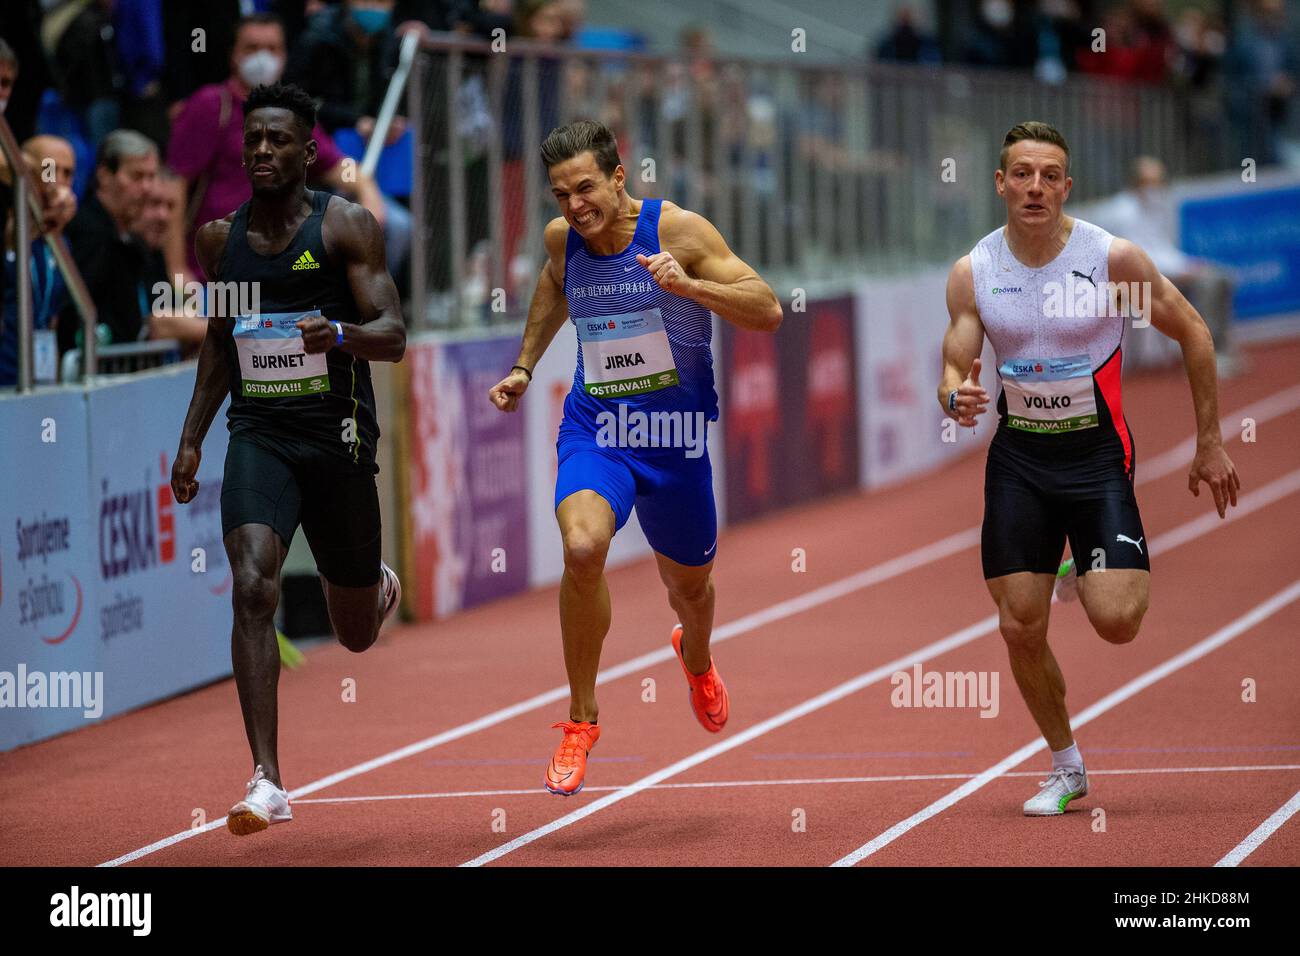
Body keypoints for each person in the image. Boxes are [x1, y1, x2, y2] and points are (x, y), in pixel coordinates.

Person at [938, 121, 1240, 816]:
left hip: (1097, 456)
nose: (1035, 187)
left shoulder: (1110, 262)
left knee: (1118, 622)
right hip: (1018, 459)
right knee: (1020, 626)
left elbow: (1193, 330)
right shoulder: (977, 272)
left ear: (1067, 186)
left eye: (1049, 176)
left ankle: (1085, 567)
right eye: (1022, 174)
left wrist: (1211, 442)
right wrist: (955, 396)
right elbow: (954, 366)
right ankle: (1066, 765)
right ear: (1000, 183)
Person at [488, 120, 783, 796]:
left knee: (690, 591)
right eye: (561, 194)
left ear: (620, 177)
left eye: (586, 188)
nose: (574, 206)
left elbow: (766, 309)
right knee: (583, 548)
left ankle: (697, 658)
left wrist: (690, 288)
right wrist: (525, 367)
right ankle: (580, 720)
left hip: (674, 438)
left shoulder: (679, 231)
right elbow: (554, 287)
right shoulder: (564, 240)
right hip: (600, 428)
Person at [170, 82, 406, 835]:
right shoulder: (219, 241)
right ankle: (267, 779)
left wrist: (336, 335)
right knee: (251, 587)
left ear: (308, 153)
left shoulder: (346, 228)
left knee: (356, 632)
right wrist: (191, 437)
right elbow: (217, 343)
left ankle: (373, 587)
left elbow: (394, 335)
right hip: (260, 433)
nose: (263, 152)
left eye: (279, 142)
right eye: (254, 140)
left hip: (338, 436)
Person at [166, 12, 395, 283]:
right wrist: (178, 271)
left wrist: (366, 189)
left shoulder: (292, 113)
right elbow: (173, 188)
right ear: (234, 55)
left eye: (272, 49)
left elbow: (338, 165)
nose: (262, 57)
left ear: (284, 56)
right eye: (252, 48)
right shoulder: (211, 105)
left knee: (394, 225)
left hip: (280, 271)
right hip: (217, 272)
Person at [1091, 155, 1242, 377]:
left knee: (1222, 277)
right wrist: (1184, 270)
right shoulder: (1124, 212)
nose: (1157, 188)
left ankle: (1219, 348)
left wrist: (1188, 264)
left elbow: (1162, 247)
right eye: (1151, 182)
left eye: (1159, 181)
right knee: (1208, 283)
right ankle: (1203, 357)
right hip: (1134, 277)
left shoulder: (1156, 206)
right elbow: (1139, 256)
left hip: (1159, 270)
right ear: (1136, 183)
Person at [60, 128, 158, 353]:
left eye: (151, 177)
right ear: (104, 175)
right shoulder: (89, 232)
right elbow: (72, 313)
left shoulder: (134, 241)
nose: (147, 188)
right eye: (137, 176)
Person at [0, 135, 77, 387]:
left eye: (68, 173)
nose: (62, 181)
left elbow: (51, 319)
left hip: (40, 377)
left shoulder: (60, 240)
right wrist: (41, 180)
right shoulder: (12, 224)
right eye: (52, 170)